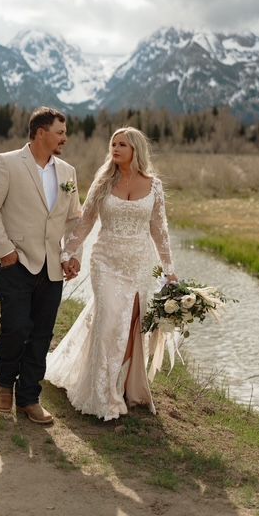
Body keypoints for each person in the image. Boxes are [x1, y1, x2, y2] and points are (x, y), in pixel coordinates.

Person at [45, 127, 178, 421]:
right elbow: (85, 221)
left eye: (122, 145)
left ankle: (127, 387)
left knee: (132, 327)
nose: (115, 149)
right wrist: (69, 252)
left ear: (136, 150)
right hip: (105, 262)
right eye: (113, 144)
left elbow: (160, 232)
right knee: (107, 322)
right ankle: (102, 395)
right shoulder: (104, 182)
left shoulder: (154, 186)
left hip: (141, 264)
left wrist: (170, 272)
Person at [0, 107, 81, 425]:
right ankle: (5, 384)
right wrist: (4, 250)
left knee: (41, 334)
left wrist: (71, 255)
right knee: (16, 327)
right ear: (40, 133)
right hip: (15, 261)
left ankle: (29, 399)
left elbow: (74, 218)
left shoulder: (68, 172)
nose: (65, 137)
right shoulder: (6, 163)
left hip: (52, 267)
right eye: (60, 132)